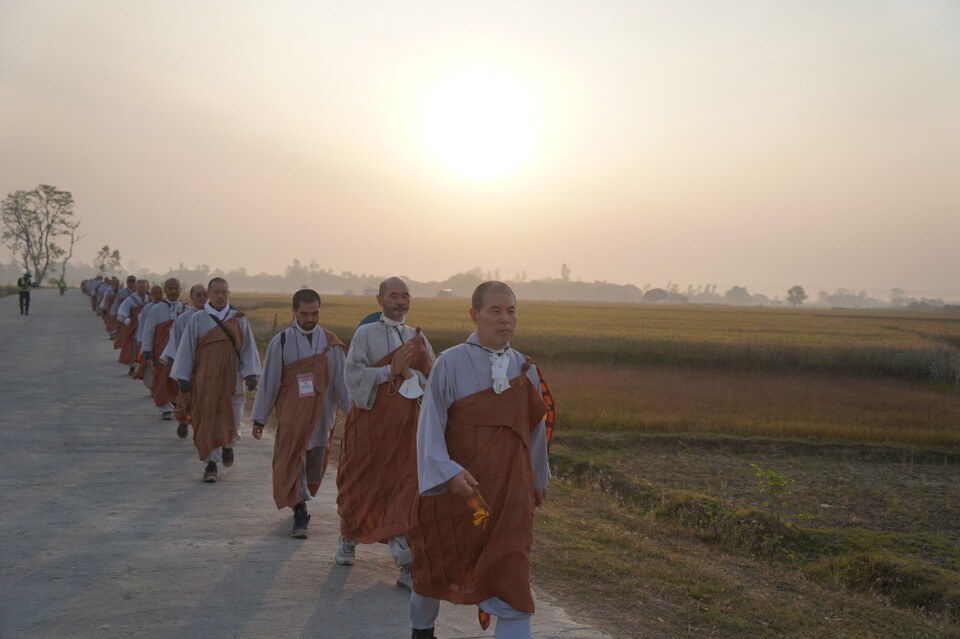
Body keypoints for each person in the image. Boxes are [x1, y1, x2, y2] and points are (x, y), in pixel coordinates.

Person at [406, 282, 554, 639]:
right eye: (496, 312)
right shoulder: (450, 362)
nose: (505, 320)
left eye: (511, 312)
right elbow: (430, 426)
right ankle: (422, 631)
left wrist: (537, 479)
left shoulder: (525, 368)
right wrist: (447, 474)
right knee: (434, 571)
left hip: (509, 494)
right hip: (457, 491)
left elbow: (532, 433)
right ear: (475, 315)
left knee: (512, 579)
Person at [335, 276, 435, 590]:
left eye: (405, 296)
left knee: (404, 490)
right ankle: (349, 535)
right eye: (394, 296)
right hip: (370, 425)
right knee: (361, 483)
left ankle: (406, 564)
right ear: (380, 300)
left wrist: (409, 372)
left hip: (406, 427)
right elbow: (353, 375)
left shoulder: (417, 338)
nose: (401, 302)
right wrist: (388, 371)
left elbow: (432, 377)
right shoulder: (366, 334)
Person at [250, 289, 351, 538]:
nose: (310, 318)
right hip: (291, 415)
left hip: (321, 416)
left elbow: (341, 383)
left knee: (314, 464)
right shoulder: (281, 342)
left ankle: (302, 498)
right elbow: (270, 382)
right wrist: (260, 418)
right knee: (294, 460)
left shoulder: (331, 343)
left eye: (315, 313)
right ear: (294, 312)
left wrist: (355, 415)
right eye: (305, 313)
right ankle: (300, 511)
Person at [171, 277, 260, 483]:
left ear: (228, 294)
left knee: (233, 418)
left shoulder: (239, 319)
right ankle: (211, 464)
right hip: (205, 379)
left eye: (224, 292)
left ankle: (228, 446)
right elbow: (187, 349)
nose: (220, 296)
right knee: (208, 419)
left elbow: (248, 349)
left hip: (232, 378)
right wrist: (183, 376)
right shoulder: (197, 319)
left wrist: (250, 373)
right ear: (209, 295)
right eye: (216, 292)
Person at [160, 284, 207, 439]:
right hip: (188, 365)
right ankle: (183, 420)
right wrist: (175, 365)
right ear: (191, 297)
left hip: (208, 366)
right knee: (186, 398)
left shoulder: (216, 318)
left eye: (205, 295)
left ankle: (202, 429)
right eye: (198, 295)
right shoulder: (183, 319)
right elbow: (175, 343)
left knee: (207, 399)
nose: (202, 298)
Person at [140, 278, 184, 421]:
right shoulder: (156, 309)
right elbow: (149, 330)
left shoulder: (185, 308)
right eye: (170, 288)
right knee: (162, 378)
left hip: (179, 351)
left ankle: (177, 403)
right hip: (161, 351)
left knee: (178, 378)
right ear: (165, 290)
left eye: (176, 288)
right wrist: (146, 349)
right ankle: (164, 408)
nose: (173, 291)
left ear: (180, 290)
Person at [116, 279, 149, 375]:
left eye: (144, 287)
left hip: (147, 327)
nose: (142, 289)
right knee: (134, 348)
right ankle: (133, 367)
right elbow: (121, 312)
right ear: (136, 287)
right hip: (135, 328)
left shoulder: (149, 299)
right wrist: (125, 319)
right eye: (140, 287)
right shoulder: (130, 300)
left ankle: (142, 366)